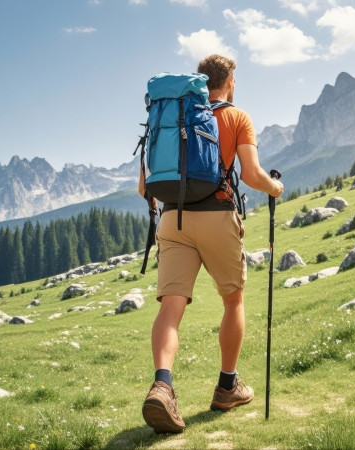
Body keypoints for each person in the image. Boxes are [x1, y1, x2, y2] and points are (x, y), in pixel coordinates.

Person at [139, 54, 284, 433]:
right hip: (216, 214)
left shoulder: (172, 115)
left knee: (171, 307)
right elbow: (251, 175)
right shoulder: (236, 117)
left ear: (200, 82)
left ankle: (163, 386)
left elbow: (145, 187)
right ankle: (227, 386)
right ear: (230, 81)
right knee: (233, 299)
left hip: (173, 217)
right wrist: (276, 187)